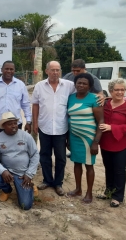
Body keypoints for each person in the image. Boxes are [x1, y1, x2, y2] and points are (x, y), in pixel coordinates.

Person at [32, 61, 75, 196]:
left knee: (61, 157)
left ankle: (58, 183)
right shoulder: (39, 86)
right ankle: (47, 180)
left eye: (58, 70)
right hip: (44, 127)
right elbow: (35, 105)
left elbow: (80, 96)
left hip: (61, 128)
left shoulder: (69, 86)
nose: (55, 72)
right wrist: (35, 123)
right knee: (44, 155)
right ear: (47, 71)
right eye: (53, 70)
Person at [66, 73, 104, 204]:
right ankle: (78, 189)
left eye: (84, 83)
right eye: (79, 83)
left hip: (89, 138)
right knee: (76, 163)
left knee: (89, 165)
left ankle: (89, 193)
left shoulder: (94, 99)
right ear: (75, 84)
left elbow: (101, 122)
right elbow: (68, 118)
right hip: (74, 136)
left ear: (90, 86)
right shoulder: (70, 98)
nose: (81, 85)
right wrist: (68, 140)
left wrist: (96, 142)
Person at [0, 112, 39, 210]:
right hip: (6, 170)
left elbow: (35, 155)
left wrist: (29, 174)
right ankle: (7, 190)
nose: (14, 126)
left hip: (22, 173)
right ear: (3, 126)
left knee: (25, 205)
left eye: (15, 123)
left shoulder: (26, 136)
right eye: (10, 124)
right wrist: (3, 171)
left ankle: (31, 186)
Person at [98, 78, 126, 207]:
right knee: (109, 168)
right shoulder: (105, 103)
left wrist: (112, 127)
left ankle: (118, 196)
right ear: (111, 91)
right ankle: (108, 191)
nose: (120, 92)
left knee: (119, 170)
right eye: (117, 89)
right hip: (106, 143)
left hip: (121, 144)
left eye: (122, 89)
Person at [63, 59, 104, 158]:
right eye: (73, 70)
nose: (75, 73)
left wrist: (101, 97)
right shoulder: (68, 76)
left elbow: (100, 93)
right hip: (72, 106)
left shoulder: (93, 79)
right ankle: (74, 150)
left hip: (87, 109)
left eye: (78, 70)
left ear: (84, 68)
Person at [0, 60, 32, 135]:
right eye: (6, 69)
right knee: (0, 146)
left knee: (15, 146)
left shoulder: (20, 85)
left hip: (15, 124)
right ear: (1, 70)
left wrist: (28, 121)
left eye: (11, 69)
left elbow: (26, 105)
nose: (9, 71)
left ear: (14, 70)